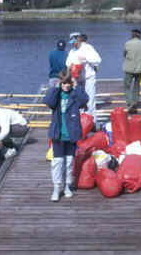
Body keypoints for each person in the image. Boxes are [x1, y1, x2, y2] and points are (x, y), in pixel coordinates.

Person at [43, 69, 89, 202]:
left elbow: (85, 99)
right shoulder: (56, 94)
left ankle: (67, 186)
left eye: (68, 83)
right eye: (64, 83)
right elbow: (47, 101)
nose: (66, 86)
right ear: (60, 83)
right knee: (57, 162)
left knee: (69, 162)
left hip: (71, 133)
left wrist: (76, 85)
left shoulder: (74, 94)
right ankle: (56, 188)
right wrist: (56, 87)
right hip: (58, 134)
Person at [66, 32, 101, 122]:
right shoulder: (72, 51)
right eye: (71, 42)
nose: (73, 44)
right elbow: (68, 64)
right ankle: (81, 121)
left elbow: (98, 60)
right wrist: (71, 66)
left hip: (89, 78)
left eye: (74, 41)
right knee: (79, 101)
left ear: (79, 39)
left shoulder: (88, 48)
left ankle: (92, 122)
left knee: (90, 101)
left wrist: (85, 59)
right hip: (78, 80)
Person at [123, 29, 141, 114]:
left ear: (132, 35)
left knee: (127, 86)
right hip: (140, 68)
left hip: (129, 68)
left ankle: (130, 102)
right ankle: (135, 102)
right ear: (139, 35)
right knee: (137, 86)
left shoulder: (127, 43)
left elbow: (124, 54)